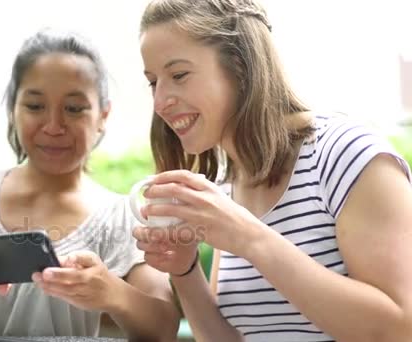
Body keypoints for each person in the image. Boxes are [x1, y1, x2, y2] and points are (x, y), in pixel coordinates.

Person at [132, 0, 412, 341]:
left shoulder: (346, 154)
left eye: (178, 75)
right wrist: (185, 272)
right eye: (152, 82)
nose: (160, 102)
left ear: (241, 66)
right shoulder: (228, 187)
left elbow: (399, 328)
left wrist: (249, 238)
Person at [0, 29, 180, 340]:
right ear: (13, 109)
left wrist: (112, 293)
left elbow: (164, 327)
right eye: (35, 106)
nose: (53, 126)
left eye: (74, 108)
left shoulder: (121, 216)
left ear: (102, 115)